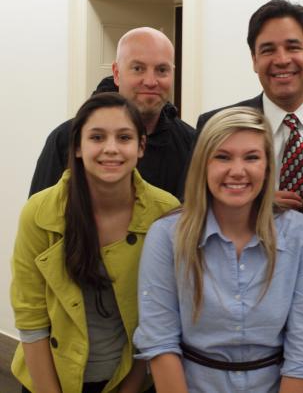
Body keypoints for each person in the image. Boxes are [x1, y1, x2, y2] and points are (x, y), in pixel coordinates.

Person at [134, 107, 303, 393]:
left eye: (252, 157)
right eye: (223, 157)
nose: (237, 171)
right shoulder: (166, 236)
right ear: (203, 165)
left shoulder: (301, 234)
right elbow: (159, 341)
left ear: (267, 166)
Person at [11, 93, 180, 393]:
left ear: (141, 147)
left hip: (131, 378)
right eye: (97, 137)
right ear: (78, 147)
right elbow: (31, 319)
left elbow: (159, 317)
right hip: (50, 380)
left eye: (124, 137)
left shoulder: (164, 211)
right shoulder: (39, 213)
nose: (111, 149)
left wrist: (131, 387)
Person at [193, 0, 303, 209]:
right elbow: (191, 203)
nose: (282, 59)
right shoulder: (214, 125)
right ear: (254, 60)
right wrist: (254, 203)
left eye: (293, 47)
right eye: (268, 50)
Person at [29, 27, 195, 198]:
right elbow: (41, 216)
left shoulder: (191, 144)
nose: (151, 81)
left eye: (161, 70)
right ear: (116, 73)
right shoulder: (66, 139)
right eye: (138, 68)